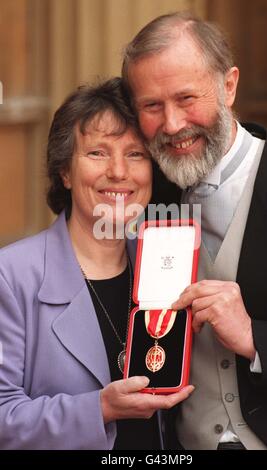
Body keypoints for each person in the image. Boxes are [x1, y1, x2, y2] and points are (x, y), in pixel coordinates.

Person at [122, 12, 267, 450]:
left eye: (186, 98)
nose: (174, 124)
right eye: (152, 106)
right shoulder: (136, 194)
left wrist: (259, 340)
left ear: (229, 86)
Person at [0, 77, 194, 450]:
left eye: (136, 154)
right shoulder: (11, 276)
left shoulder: (168, 266)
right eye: (97, 153)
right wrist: (98, 409)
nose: (119, 172)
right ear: (65, 172)